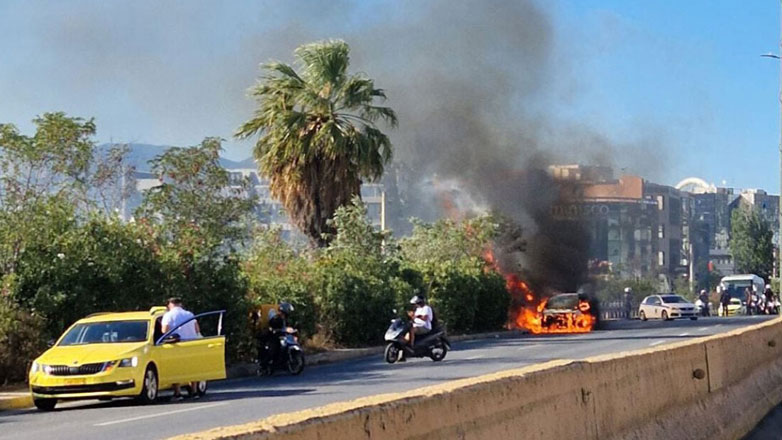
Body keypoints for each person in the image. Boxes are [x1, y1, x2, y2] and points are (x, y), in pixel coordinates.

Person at [161, 297, 201, 400]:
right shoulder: (189, 314)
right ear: (180, 304)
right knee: (192, 369)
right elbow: (197, 329)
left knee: (176, 369)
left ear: (170, 304)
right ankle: (194, 392)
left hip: (177, 345)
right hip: (191, 344)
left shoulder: (168, 315)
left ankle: (177, 393)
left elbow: (164, 330)